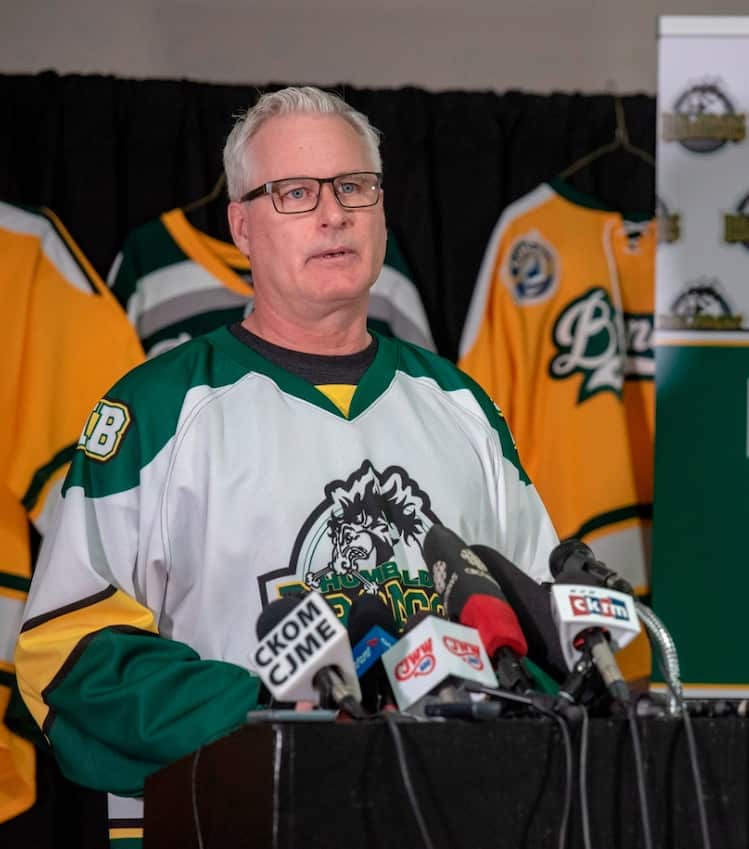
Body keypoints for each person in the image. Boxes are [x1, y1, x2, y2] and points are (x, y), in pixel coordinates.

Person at [14, 86, 560, 848]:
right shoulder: (156, 409)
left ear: (380, 211)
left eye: (354, 188)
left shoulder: (458, 403)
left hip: (442, 820)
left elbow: (543, 632)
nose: (333, 214)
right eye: (296, 192)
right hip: (225, 823)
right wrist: (267, 713)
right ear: (242, 222)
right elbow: (64, 653)